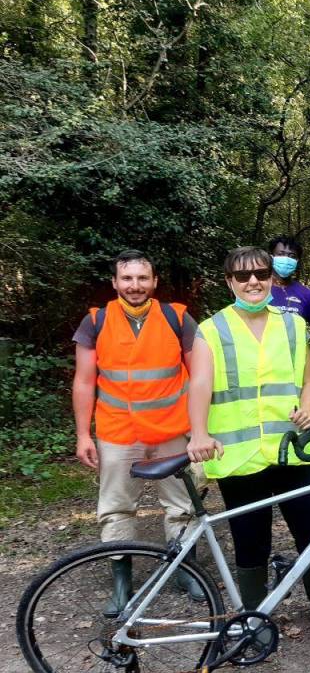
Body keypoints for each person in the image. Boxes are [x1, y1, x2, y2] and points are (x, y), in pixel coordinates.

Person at [186, 247, 310, 630]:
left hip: (292, 448)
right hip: (240, 454)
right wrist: (198, 432)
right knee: (251, 540)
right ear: (229, 281)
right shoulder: (212, 329)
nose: (253, 282)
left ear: (270, 278)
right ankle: (254, 617)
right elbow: (198, 384)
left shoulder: (294, 325)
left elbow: (307, 381)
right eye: (243, 276)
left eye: (261, 274)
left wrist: (309, 406)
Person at [72, 249, 203, 614]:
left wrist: (200, 429)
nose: (135, 286)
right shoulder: (95, 321)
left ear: (154, 282)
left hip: (172, 430)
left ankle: (184, 569)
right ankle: (121, 583)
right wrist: (84, 434)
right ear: (115, 283)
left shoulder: (176, 317)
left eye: (142, 278)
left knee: (182, 506)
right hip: (117, 432)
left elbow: (200, 377)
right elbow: (84, 381)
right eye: (127, 279)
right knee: (115, 508)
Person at [267, 235, 310, 331]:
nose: (286, 259)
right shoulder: (258, 289)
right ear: (271, 257)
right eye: (281, 254)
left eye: (292, 256)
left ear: (297, 261)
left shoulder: (307, 294)